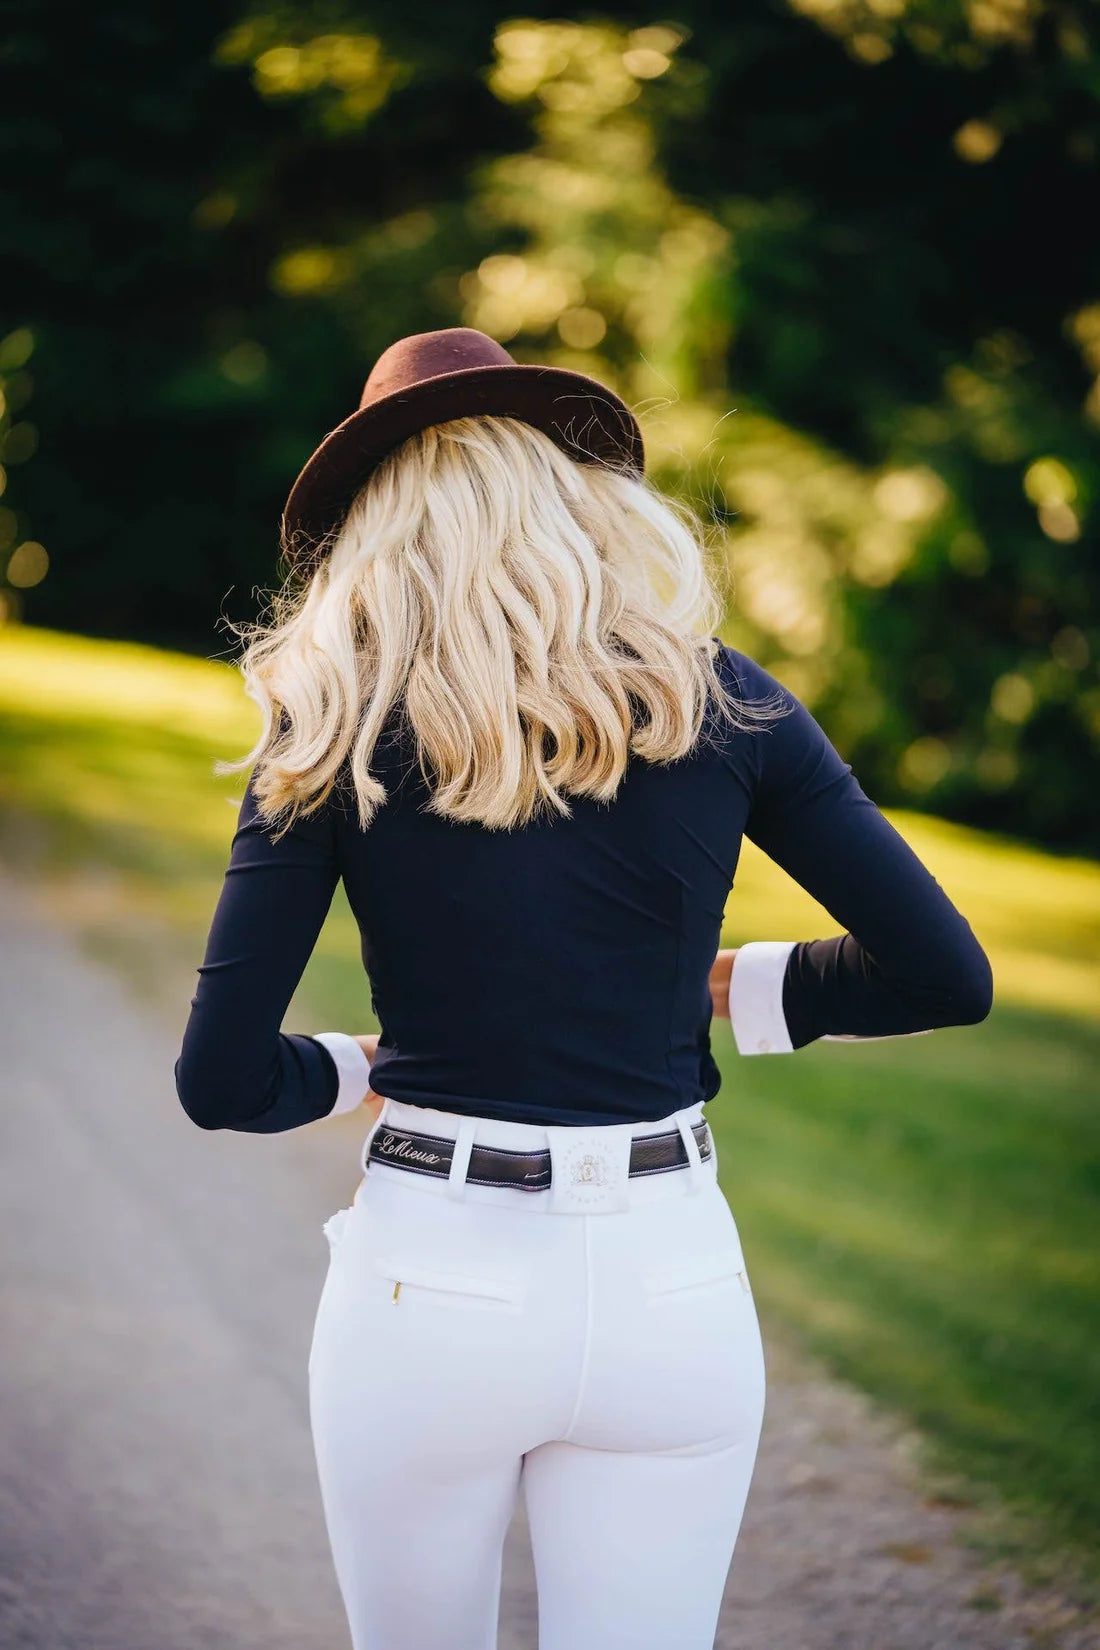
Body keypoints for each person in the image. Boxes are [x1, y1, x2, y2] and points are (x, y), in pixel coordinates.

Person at [174, 327, 993, 1650]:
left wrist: (359, 1066)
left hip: (430, 1282)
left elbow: (221, 1079)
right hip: (672, 1281)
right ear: (572, 491)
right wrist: (737, 987)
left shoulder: (331, 718)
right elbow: (945, 974)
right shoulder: (721, 698)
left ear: (375, 526)